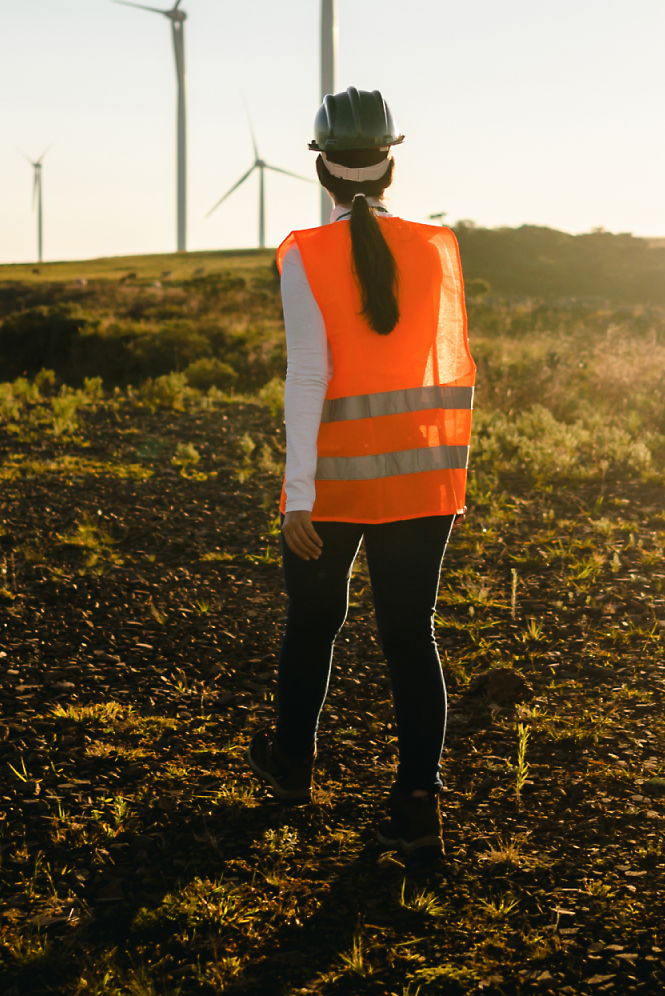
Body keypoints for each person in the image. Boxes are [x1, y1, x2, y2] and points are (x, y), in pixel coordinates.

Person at [245, 87, 475, 856]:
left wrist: (299, 497)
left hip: (335, 484)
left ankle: (292, 770)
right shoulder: (440, 248)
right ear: (390, 166)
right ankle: (417, 803)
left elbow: (307, 375)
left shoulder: (303, 254)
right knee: (412, 637)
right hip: (420, 477)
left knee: (313, 625)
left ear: (323, 171)